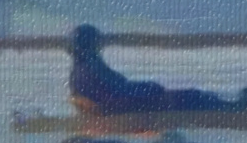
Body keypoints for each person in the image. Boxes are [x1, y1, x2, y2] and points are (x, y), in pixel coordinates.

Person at [68, 23, 226, 119]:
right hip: (126, 108)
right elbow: (119, 90)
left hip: (116, 105)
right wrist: (150, 88)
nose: (100, 45)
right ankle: (233, 112)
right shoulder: (91, 66)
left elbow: (116, 87)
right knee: (192, 96)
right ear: (90, 43)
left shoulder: (79, 68)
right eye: (97, 41)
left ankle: (225, 106)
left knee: (189, 96)